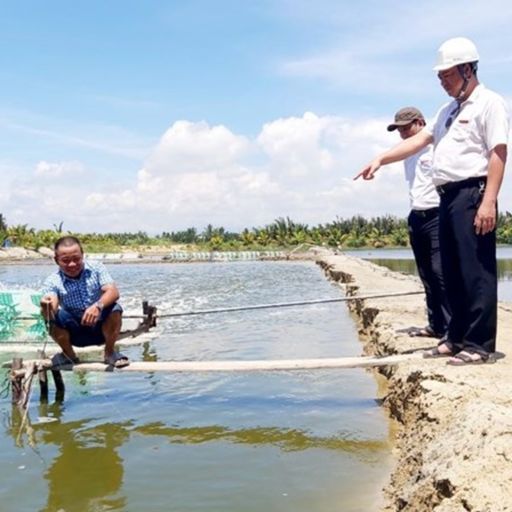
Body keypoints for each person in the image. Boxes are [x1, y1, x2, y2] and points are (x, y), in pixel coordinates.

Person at [355, 37, 509, 365]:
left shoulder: (489, 103)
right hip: (448, 197)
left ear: (468, 69)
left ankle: (479, 344)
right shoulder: (447, 111)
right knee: (452, 271)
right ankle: (455, 337)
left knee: (475, 270)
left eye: (448, 75)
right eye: (439, 77)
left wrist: (489, 201)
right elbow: (420, 141)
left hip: (473, 192)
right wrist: (381, 158)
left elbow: (498, 152)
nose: (443, 83)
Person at [364, 106, 451, 338]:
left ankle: (451, 329)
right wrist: (378, 162)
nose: (402, 133)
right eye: (399, 129)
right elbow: (396, 152)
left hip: (437, 213)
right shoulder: (406, 152)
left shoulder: (436, 144)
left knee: (440, 272)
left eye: (406, 127)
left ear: (420, 123)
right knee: (426, 274)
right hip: (417, 214)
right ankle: (436, 325)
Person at [40, 236, 129, 368]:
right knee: (55, 317)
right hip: (75, 333)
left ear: (83, 255)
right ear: (56, 260)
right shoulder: (52, 281)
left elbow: (113, 292)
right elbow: (51, 306)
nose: (72, 264)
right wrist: (45, 306)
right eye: (65, 260)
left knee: (115, 308)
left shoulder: (96, 268)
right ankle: (68, 354)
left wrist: (97, 306)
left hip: (101, 328)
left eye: (76, 259)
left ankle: (110, 353)